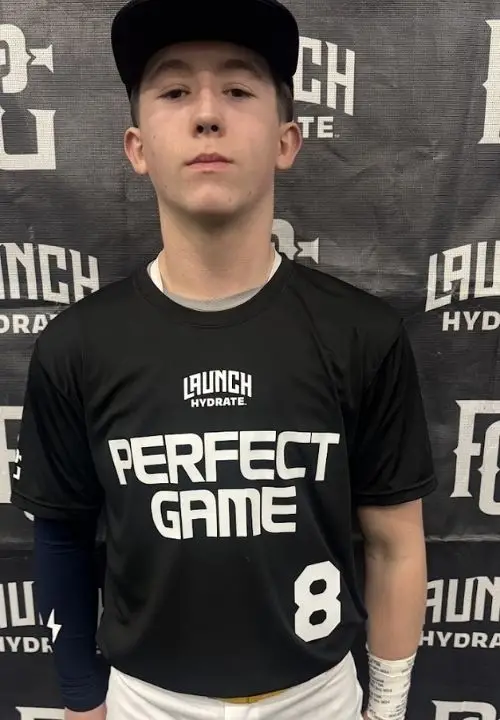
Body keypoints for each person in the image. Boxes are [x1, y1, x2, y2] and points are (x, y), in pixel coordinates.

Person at [10, 0, 437, 718]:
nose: (207, 114)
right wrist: (82, 701)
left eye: (238, 89)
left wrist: (388, 708)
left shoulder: (362, 333)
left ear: (286, 140)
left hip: (318, 698)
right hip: (146, 701)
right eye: (175, 91)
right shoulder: (77, 345)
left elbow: (394, 545)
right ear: (137, 146)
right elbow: (60, 538)